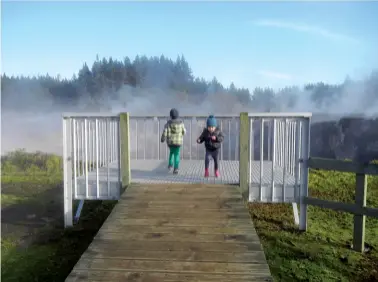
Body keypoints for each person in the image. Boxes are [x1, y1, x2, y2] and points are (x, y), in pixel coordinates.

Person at [161, 108, 186, 174]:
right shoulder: (181, 123)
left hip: (170, 142)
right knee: (177, 154)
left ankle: (170, 164)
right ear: (177, 115)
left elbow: (165, 132)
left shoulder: (168, 123)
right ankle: (176, 168)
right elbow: (184, 132)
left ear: (171, 116)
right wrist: (181, 135)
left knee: (171, 152)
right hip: (178, 142)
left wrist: (163, 138)